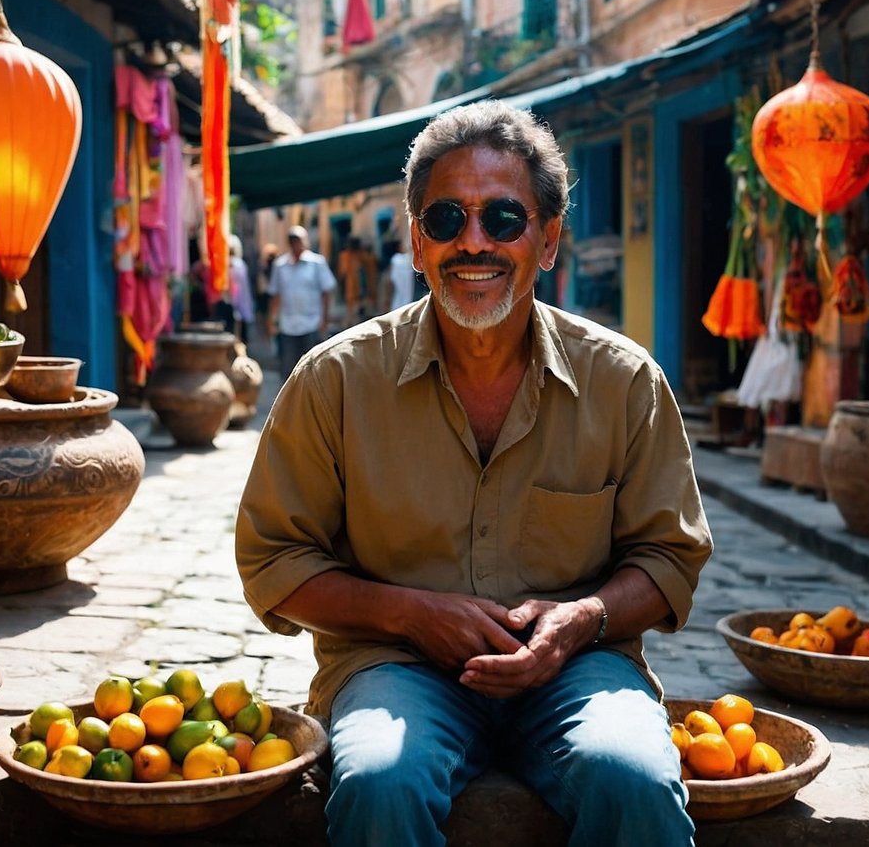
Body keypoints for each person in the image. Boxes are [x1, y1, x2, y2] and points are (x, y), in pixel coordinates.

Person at [236, 100, 713, 847]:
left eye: (503, 218)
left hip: (580, 670)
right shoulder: (335, 381)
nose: (473, 242)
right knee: (379, 783)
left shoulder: (624, 382)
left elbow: (670, 558)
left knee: (634, 777)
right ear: (417, 242)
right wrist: (409, 615)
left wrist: (581, 620)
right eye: (446, 218)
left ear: (548, 240)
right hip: (395, 667)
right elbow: (274, 562)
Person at [266, 225, 336, 378]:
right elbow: (276, 294)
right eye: (294, 241)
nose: (298, 244)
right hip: (288, 325)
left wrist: (325, 319)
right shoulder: (280, 266)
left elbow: (326, 292)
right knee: (289, 370)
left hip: (312, 324)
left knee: (313, 370)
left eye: (300, 240)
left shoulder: (317, 263)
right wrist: (271, 320)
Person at [385, 238, 415, 311]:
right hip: (410, 304)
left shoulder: (396, 260)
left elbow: (389, 283)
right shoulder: (398, 260)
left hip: (397, 304)